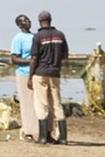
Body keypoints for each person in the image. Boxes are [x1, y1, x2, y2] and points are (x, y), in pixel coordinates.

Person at [27, 11, 69, 145]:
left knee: (42, 104)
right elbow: (65, 55)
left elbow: (34, 58)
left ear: (39, 21)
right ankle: (62, 137)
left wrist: (30, 76)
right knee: (57, 103)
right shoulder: (60, 35)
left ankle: (43, 137)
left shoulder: (38, 37)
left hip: (40, 73)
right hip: (55, 73)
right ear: (50, 20)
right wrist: (55, 61)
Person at [10, 14, 37, 142]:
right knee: (26, 103)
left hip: (36, 74)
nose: (27, 21)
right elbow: (14, 59)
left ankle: (37, 130)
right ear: (20, 25)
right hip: (23, 73)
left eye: (28, 19)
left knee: (37, 103)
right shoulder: (18, 39)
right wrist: (30, 62)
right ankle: (27, 132)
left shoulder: (35, 37)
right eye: (24, 20)